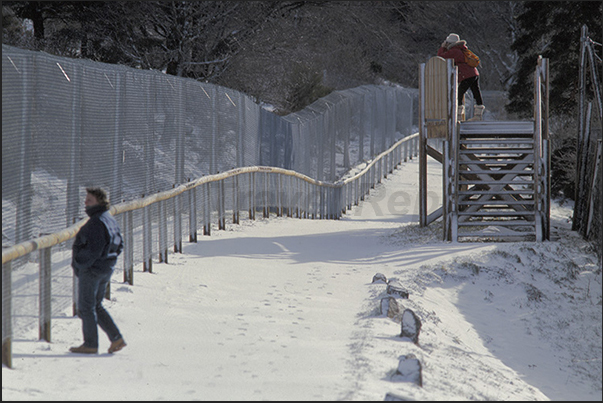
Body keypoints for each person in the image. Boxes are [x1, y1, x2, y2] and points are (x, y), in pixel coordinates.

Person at [70, 187, 126, 354]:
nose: (85, 203)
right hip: (105, 268)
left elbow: (94, 249)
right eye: (86, 199)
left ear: (99, 202)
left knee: (86, 307)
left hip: (92, 269)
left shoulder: (95, 222)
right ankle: (116, 339)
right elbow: (119, 244)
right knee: (96, 305)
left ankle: (90, 344)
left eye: (90, 200)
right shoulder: (109, 219)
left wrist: (80, 262)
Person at [437, 33, 485, 121]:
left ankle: (458, 115)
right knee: (476, 92)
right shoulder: (461, 49)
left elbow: (440, 57)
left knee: (459, 93)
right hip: (473, 73)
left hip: (467, 75)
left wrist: (442, 47)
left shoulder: (454, 51)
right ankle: (478, 115)